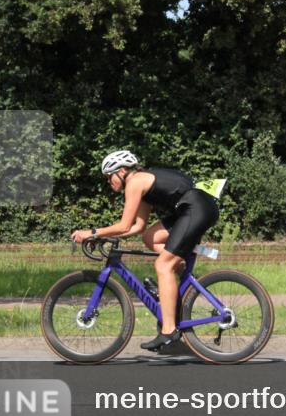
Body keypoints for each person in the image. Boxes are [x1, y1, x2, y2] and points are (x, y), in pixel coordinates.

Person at [70, 150, 220, 351]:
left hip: (195, 209)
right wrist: (102, 236)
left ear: (122, 171)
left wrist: (92, 232)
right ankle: (178, 271)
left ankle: (168, 331)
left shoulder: (135, 182)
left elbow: (123, 226)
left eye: (109, 177)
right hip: (192, 208)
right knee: (150, 237)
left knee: (162, 265)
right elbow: (136, 227)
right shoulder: (143, 186)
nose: (109, 182)